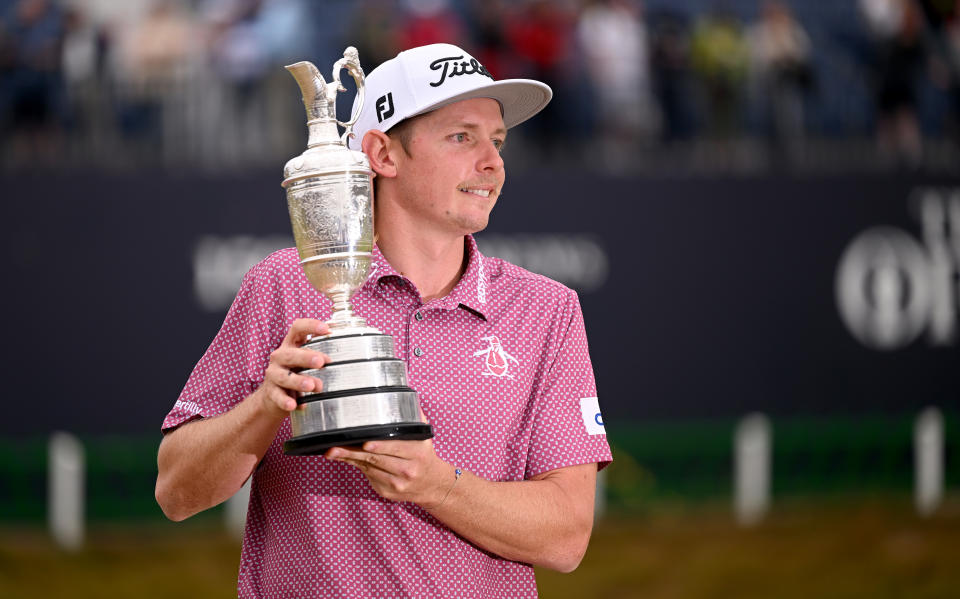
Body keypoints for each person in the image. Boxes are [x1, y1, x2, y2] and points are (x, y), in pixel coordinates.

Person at [155, 42, 612, 598]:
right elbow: (176, 493)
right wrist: (264, 406)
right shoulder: (281, 285)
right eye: (461, 136)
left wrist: (438, 486)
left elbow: (566, 537)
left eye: (497, 140)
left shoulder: (546, 309)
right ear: (383, 154)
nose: (492, 162)